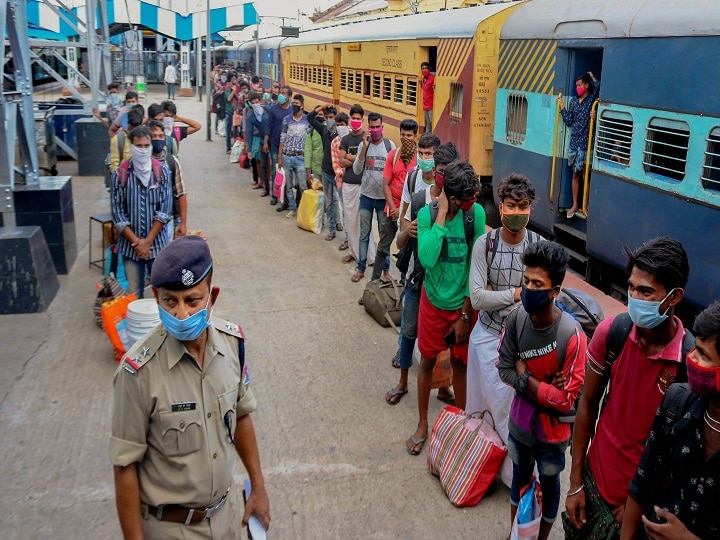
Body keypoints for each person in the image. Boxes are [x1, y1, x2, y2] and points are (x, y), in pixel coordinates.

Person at [109, 235, 271, 539]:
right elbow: (125, 467)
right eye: (170, 301)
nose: (181, 314)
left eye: (193, 301)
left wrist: (258, 487)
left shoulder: (232, 345)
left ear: (213, 296)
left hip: (225, 520)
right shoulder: (137, 373)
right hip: (170, 529)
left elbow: (242, 416)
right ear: (156, 295)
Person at [564, 236, 691, 539]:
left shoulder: (687, 364)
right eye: (632, 287)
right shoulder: (613, 333)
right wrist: (576, 481)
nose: (634, 297)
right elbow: (587, 404)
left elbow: (680, 453)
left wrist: (641, 503)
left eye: (646, 291)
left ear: (673, 297)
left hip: (637, 502)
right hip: (594, 481)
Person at [497, 240, 587, 540]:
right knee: (519, 482)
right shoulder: (515, 320)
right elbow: (505, 369)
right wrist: (539, 385)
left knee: (550, 488)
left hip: (553, 437)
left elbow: (566, 402)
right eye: (526, 281)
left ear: (555, 291)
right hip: (521, 427)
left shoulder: (571, 335)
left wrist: (528, 378)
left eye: (538, 283)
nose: (529, 289)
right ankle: (515, 535)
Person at [406, 160, 486, 455]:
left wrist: (465, 315)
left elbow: (475, 267)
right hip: (433, 304)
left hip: (461, 307)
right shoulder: (427, 215)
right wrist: (440, 217)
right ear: (452, 199)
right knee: (427, 361)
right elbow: (426, 259)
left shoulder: (474, 215)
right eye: (469, 198)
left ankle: (462, 424)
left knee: (460, 364)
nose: (475, 203)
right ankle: (422, 423)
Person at [621, 301, 720, 540]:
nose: (692, 358)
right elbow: (641, 484)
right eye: (694, 348)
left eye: (704, 355)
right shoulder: (677, 401)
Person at [466, 173, 539, 487]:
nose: (517, 212)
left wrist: (499, 297)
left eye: (523, 206)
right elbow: (478, 297)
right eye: (512, 205)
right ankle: (483, 466)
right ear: (501, 206)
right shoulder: (486, 243)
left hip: (523, 345)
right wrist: (517, 294)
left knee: (515, 418)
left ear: (531, 209)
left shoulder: (539, 248)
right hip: (487, 339)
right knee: (483, 406)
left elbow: (546, 300)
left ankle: (514, 480)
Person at [385, 141, 459, 404]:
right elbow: (400, 242)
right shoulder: (420, 199)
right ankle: (403, 381)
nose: (443, 176)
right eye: (440, 170)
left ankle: (442, 387)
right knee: (408, 332)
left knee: (445, 342)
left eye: (449, 171)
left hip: (447, 286)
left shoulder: (461, 205)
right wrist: (409, 230)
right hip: (419, 280)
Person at [110, 126, 173, 299]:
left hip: (157, 245)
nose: (143, 150)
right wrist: (138, 243)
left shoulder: (162, 172)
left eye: (147, 146)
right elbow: (117, 213)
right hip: (131, 249)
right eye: (139, 146)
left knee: (162, 292)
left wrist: (148, 242)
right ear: (131, 146)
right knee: (133, 293)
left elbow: (165, 210)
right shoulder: (120, 175)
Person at [351, 112, 396, 282]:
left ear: (382, 127)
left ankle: (385, 270)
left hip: (384, 200)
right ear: (368, 128)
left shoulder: (389, 145)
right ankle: (361, 268)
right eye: (373, 127)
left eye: (378, 126)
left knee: (384, 236)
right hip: (366, 198)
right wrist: (363, 148)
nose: (376, 130)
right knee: (364, 234)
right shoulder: (365, 145)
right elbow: (356, 170)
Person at [378, 119, 418, 280]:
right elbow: (386, 184)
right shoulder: (393, 156)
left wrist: (402, 212)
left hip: (408, 213)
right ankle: (374, 283)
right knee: (382, 247)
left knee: (405, 251)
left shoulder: (419, 159)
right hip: (391, 210)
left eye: (409, 135)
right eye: (403, 135)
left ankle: (403, 285)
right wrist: (394, 210)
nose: (405, 138)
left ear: (416, 136)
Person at [559, 71, 600, 218]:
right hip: (574, 143)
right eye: (576, 85)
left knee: (585, 175)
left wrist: (592, 76)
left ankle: (585, 206)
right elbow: (569, 120)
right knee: (575, 175)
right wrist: (562, 107)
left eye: (579, 85)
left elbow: (599, 86)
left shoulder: (592, 100)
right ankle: (575, 204)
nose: (577, 88)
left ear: (586, 85)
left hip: (586, 144)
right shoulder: (574, 102)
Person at [339, 105, 376, 266]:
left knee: (365, 221)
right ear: (350, 119)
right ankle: (354, 253)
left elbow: (368, 161)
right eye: (353, 118)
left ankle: (370, 256)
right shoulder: (345, 139)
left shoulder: (366, 139)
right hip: (349, 184)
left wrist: (349, 156)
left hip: (364, 186)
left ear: (363, 120)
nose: (355, 121)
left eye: (358, 119)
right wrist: (358, 158)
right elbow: (341, 160)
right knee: (350, 219)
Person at [308, 104, 342, 241]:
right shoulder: (323, 130)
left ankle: (340, 224)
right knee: (329, 201)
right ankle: (332, 230)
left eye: (332, 117)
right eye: (327, 117)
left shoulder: (341, 132)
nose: (329, 120)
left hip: (338, 172)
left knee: (338, 200)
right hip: (326, 171)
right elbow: (310, 117)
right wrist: (321, 107)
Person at [148, 120, 187, 239]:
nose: (158, 139)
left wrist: (183, 223)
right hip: (146, 219)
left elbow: (181, 193)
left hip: (167, 220)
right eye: (153, 136)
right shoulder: (141, 162)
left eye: (161, 136)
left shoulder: (171, 162)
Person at [278, 94, 310, 218]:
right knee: (289, 185)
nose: (294, 106)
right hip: (287, 156)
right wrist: (280, 156)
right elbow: (282, 138)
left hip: (300, 157)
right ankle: (293, 208)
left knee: (303, 185)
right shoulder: (287, 119)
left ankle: (305, 210)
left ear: (302, 106)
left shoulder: (307, 120)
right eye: (293, 103)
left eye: (297, 104)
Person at [398, 133, 441, 223]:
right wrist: (404, 233)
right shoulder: (412, 178)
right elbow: (404, 214)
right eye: (420, 153)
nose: (423, 158)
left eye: (428, 154)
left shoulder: (442, 181)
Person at [264, 86, 293, 207]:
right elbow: (268, 126)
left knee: (286, 172)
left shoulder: (292, 111)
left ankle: (285, 197)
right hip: (275, 144)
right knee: (276, 170)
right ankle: (274, 195)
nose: (281, 95)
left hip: (288, 146)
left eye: (284, 93)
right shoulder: (273, 109)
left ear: (289, 96)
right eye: (280, 93)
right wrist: (266, 141)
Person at [331, 113, 350, 251]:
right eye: (338, 125)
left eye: (342, 125)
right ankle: (348, 239)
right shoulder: (335, 142)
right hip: (341, 182)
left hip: (354, 183)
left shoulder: (354, 138)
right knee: (345, 212)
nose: (340, 127)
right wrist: (343, 172)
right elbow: (336, 163)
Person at [244, 92, 269, 193]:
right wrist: (249, 149)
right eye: (253, 102)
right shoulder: (250, 115)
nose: (256, 104)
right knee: (262, 163)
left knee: (271, 163)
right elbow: (249, 132)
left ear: (260, 100)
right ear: (250, 103)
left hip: (273, 139)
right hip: (262, 140)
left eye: (257, 101)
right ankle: (264, 185)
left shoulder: (268, 109)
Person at [108, 106, 145, 173]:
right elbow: (114, 166)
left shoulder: (146, 139)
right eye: (131, 129)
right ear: (128, 123)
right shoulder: (118, 140)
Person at [420, 62, 435, 133]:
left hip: (431, 105)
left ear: (429, 69)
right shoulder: (424, 79)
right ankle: (427, 136)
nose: (424, 70)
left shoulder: (433, 78)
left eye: (426, 68)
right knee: (428, 122)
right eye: (422, 69)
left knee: (432, 122)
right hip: (426, 104)